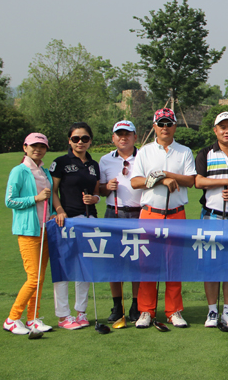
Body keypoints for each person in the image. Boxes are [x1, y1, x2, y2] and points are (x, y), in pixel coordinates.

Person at [131, 108, 196, 329]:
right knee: (147, 264)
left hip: (176, 213)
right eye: (161, 124)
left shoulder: (184, 151)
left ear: (175, 126)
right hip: (150, 213)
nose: (165, 127)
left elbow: (190, 180)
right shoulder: (145, 151)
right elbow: (135, 182)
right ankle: (146, 311)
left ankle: (174, 310)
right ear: (154, 127)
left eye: (169, 123)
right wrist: (161, 180)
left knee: (173, 264)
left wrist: (165, 174)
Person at [195, 111, 228, 328]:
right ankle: (212, 311)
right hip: (212, 215)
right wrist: (225, 181)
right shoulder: (205, 153)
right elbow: (198, 181)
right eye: (223, 127)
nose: (227, 131)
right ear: (215, 130)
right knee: (211, 265)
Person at [50, 122, 100, 330]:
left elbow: (96, 191)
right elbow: (53, 191)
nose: (80, 142)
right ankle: (63, 315)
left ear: (90, 140)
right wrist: (59, 210)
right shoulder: (60, 162)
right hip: (66, 220)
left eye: (85, 138)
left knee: (84, 267)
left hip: (89, 220)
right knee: (64, 268)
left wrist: (95, 199)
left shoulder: (94, 164)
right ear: (69, 141)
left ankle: (81, 312)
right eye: (76, 139)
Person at [4, 133, 54, 335]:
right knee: (33, 278)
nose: (38, 149)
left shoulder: (44, 171)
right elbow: (10, 201)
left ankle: (33, 318)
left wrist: (52, 212)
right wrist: (35, 198)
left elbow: (49, 200)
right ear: (25, 147)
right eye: (34, 146)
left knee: (39, 278)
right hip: (28, 231)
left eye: (42, 146)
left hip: (45, 229)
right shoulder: (19, 171)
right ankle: (12, 319)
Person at [98, 120, 141, 324]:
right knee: (114, 262)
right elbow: (99, 189)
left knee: (137, 262)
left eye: (127, 134)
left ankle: (136, 304)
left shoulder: (143, 156)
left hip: (139, 213)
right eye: (119, 134)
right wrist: (107, 187)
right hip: (113, 213)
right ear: (113, 138)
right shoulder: (105, 160)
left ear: (135, 137)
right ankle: (117, 305)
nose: (123, 138)